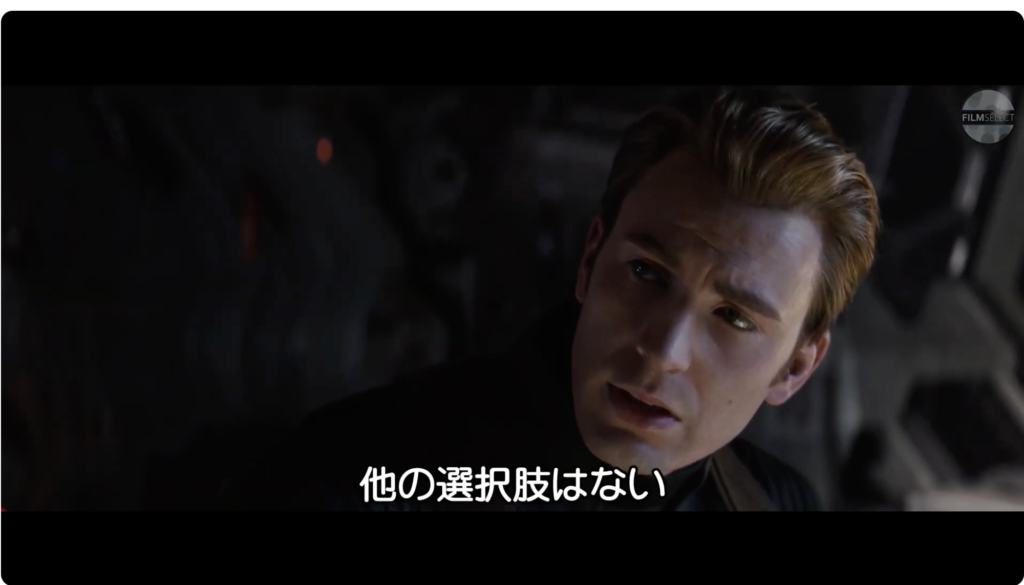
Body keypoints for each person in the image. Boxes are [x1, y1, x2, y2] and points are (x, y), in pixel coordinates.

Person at [227, 86, 880, 511]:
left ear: (795, 367)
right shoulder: (352, 477)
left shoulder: (775, 502)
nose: (664, 349)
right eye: (648, 272)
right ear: (592, 258)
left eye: (734, 317)